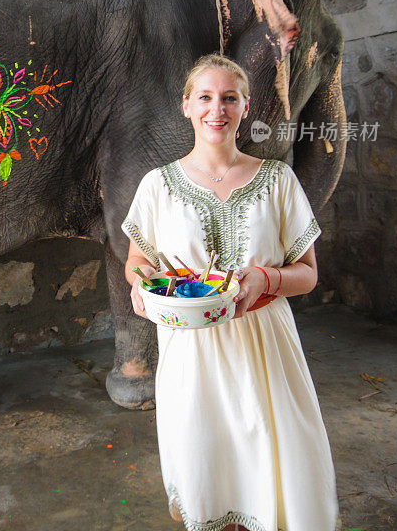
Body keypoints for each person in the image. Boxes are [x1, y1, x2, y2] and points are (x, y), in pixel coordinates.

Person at [122, 54, 339, 531]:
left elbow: (307, 274)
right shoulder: (157, 186)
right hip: (190, 355)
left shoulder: (278, 180)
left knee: (272, 470)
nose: (215, 109)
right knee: (206, 471)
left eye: (228, 98)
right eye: (204, 97)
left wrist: (267, 279)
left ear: (246, 106)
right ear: (185, 106)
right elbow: (138, 262)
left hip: (266, 352)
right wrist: (139, 284)